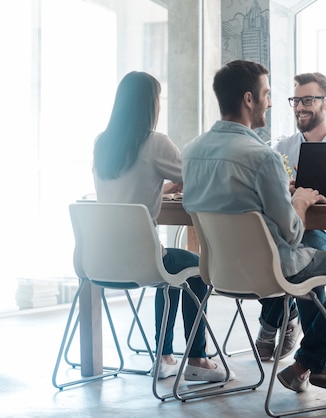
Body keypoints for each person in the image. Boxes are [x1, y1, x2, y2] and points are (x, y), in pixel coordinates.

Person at [182, 60, 326, 395]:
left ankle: (312, 362)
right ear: (249, 99)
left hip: (220, 271)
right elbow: (291, 233)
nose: (271, 103)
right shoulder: (263, 156)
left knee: (316, 254)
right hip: (273, 270)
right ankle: (311, 361)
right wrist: (299, 202)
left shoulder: (191, 152)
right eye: (267, 94)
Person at [93, 71, 231, 383]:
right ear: (150, 104)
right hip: (142, 259)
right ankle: (196, 358)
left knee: (169, 268)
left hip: (103, 261)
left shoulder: (102, 143)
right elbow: (196, 177)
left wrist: (162, 188)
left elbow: (126, 186)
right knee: (195, 266)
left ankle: (164, 356)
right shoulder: (155, 142)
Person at [253, 72, 326, 362]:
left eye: (308, 100)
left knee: (301, 250)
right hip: (287, 230)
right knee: (275, 248)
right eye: (296, 100)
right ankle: (316, 357)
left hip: (325, 231)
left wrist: (314, 194)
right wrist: (287, 192)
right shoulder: (282, 148)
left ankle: (273, 324)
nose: (300, 106)